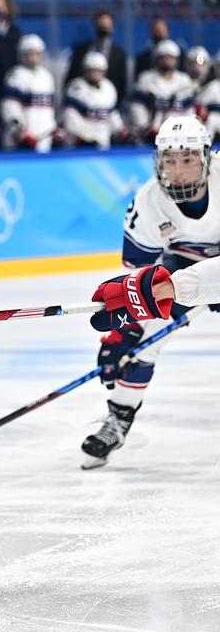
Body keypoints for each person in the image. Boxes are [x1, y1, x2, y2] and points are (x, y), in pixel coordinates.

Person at [81, 116, 218, 469]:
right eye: (169, 160)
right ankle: (119, 416)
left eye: (187, 159)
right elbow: (139, 283)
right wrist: (124, 330)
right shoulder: (148, 202)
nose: (178, 170)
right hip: (182, 268)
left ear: (206, 157)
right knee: (146, 335)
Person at [1, 34, 64, 152]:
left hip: (45, 136)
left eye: (36, 53)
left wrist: (54, 129)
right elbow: (10, 107)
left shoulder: (47, 76)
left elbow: (50, 108)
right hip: (23, 139)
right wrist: (20, 131)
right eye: (28, 54)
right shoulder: (16, 75)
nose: (32, 57)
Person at [130, 40, 195, 144]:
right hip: (151, 134)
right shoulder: (145, 79)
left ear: (176, 60)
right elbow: (137, 108)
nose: (167, 61)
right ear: (156, 59)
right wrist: (146, 128)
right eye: (163, 57)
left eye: (170, 58)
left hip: (179, 136)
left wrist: (183, 130)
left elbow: (189, 111)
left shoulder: (184, 80)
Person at [63, 51, 129, 150]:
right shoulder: (77, 87)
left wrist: (122, 131)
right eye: (92, 70)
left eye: (99, 71)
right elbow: (71, 119)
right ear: (85, 70)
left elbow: (112, 115)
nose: (95, 74)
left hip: (104, 142)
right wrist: (88, 137)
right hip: (82, 143)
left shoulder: (109, 87)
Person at [64, 10, 128, 107]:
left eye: (106, 26)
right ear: (94, 27)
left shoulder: (119, 54)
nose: (103, 29)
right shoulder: (80, 50)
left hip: (107, 107)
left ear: (112, 28)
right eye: (101, 26)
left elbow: (122, 85)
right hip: (82, 107)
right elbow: (71, 78)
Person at [199, 53, 220, 142]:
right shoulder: (212, 86)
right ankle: (206, 148)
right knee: (211, 119)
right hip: (216, 120)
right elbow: (199, 105)